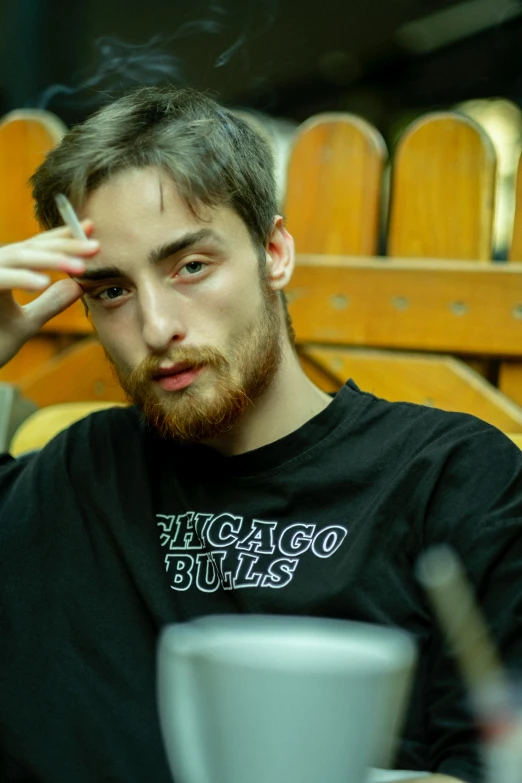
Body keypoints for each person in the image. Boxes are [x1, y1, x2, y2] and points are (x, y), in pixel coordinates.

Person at [0, 86, 521, 783]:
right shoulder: (76, 478)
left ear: (274, 252)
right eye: (112, 290)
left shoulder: (450, 477)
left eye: (190, 266)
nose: (157, 328)